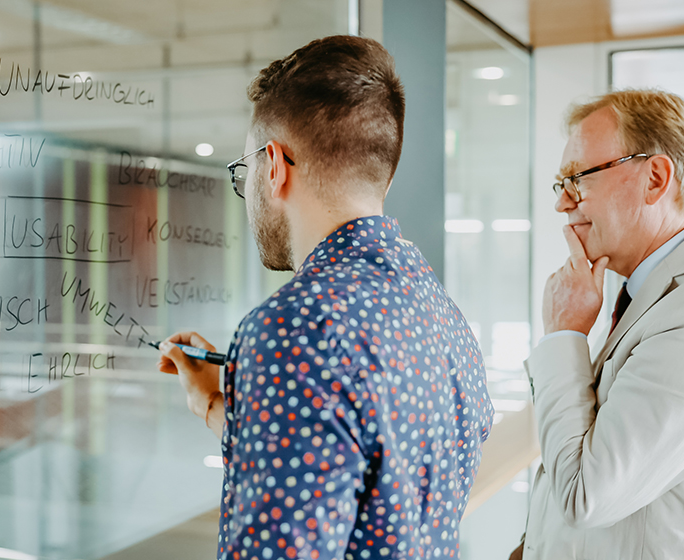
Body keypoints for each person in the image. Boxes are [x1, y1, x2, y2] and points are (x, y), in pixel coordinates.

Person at [156, 35, 494, 560]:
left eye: (245, 172)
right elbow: (362, 478)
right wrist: (218, 406)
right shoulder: (437, 310)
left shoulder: (297, 329)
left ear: (274, 165)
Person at [510, 89, 684, 560]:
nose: (563, 203)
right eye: (561, 184)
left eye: (578, 178)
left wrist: (565, 335)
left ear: (654, 178)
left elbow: (585, 494)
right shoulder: (652, 292)